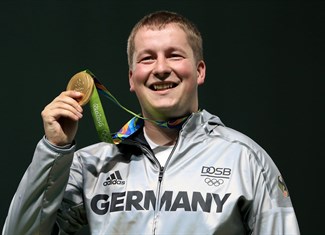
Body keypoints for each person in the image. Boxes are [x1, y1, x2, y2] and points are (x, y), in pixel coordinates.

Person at [2, 10, 300, 235]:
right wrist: (54, 150)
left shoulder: (245, 159)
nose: (160, 69)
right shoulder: (91, 165)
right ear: (132, 78)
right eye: (147, 59)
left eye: (174, 55)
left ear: (199, 71)